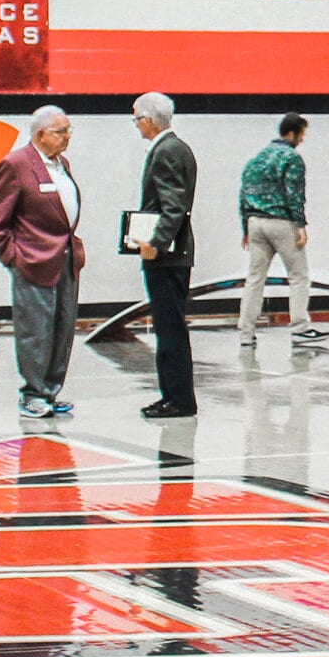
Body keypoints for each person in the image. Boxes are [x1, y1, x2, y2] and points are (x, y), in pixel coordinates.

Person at [0, 106, 85, 419]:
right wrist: (12, 256)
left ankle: (50, 391)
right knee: (36, 330)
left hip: (66, 258)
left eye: (69, 129)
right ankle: (32, 393)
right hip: (32, 259)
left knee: (62, 328)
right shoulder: (15, 164)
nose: (68, 136)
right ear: (41, 134)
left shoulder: (61, 163)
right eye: (62, 131)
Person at [133, 93, 199, 418]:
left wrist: (156, 242)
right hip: (171, 254)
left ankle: (180, 399)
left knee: (169, 327)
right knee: (166, 326)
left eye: (137, 119)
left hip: (168, 256)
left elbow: (174, 206)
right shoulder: (173, 147)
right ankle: (171, 394)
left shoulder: (167, 151)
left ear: (148, 119)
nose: (136, 125)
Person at [238, 114, 322, 347]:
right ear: (292, 133)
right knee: (298, 276)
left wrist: (245, 225)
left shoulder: (255, 159)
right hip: (281, 222)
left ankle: (246, 332)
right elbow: (294, 195)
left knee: (255, 279)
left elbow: (243, 195)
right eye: (302, 134)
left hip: (255, 222)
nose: (302, 140)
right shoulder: (292, 158)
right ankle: (300, 329)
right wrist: (300, 226)